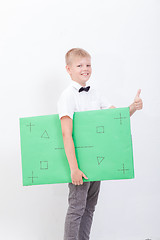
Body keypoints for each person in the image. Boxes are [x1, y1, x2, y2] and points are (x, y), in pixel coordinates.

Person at [57, 48, 143, 240]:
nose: (85, 69)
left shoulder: (95, 93)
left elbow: (114, 118)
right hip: (80, 165)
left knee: (89, 208)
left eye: (88, 65)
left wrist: (132, 107)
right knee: (76, 208)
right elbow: (66, 133)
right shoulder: (68, 96)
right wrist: (74, 169)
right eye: (79, 65)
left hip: (97, 162)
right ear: (69, 69)